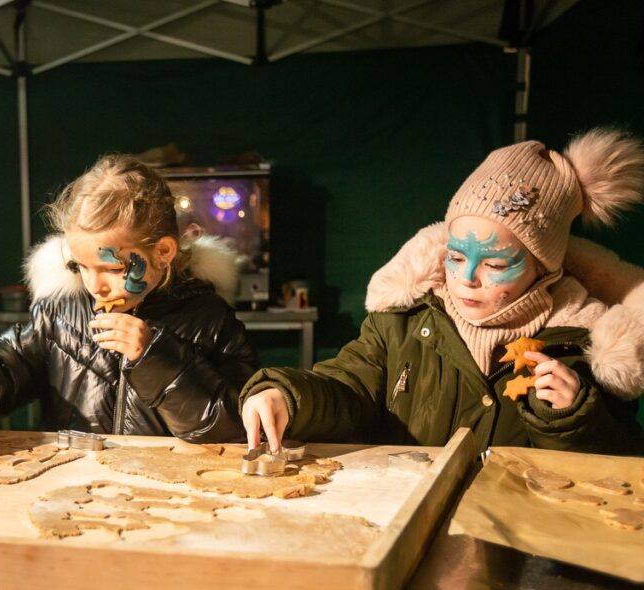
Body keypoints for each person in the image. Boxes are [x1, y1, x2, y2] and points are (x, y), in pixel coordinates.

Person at [242, 128, 644, 455]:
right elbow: (349, 387)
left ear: (545, 269)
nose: (467, 276)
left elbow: (619, 466)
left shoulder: (584, 349)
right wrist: (289, 396)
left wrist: (574, 418)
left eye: (496, 264)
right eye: (456, 256)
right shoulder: (402, 324)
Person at [0, 154, 258, 459]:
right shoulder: (61, 311)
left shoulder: (210, 319)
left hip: (168, 496)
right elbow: (8, 360)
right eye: (81, 266)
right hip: (76, 485)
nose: (94, 284)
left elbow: (235, 427)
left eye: (113, 269)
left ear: (164, 252)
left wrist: (156, 357)